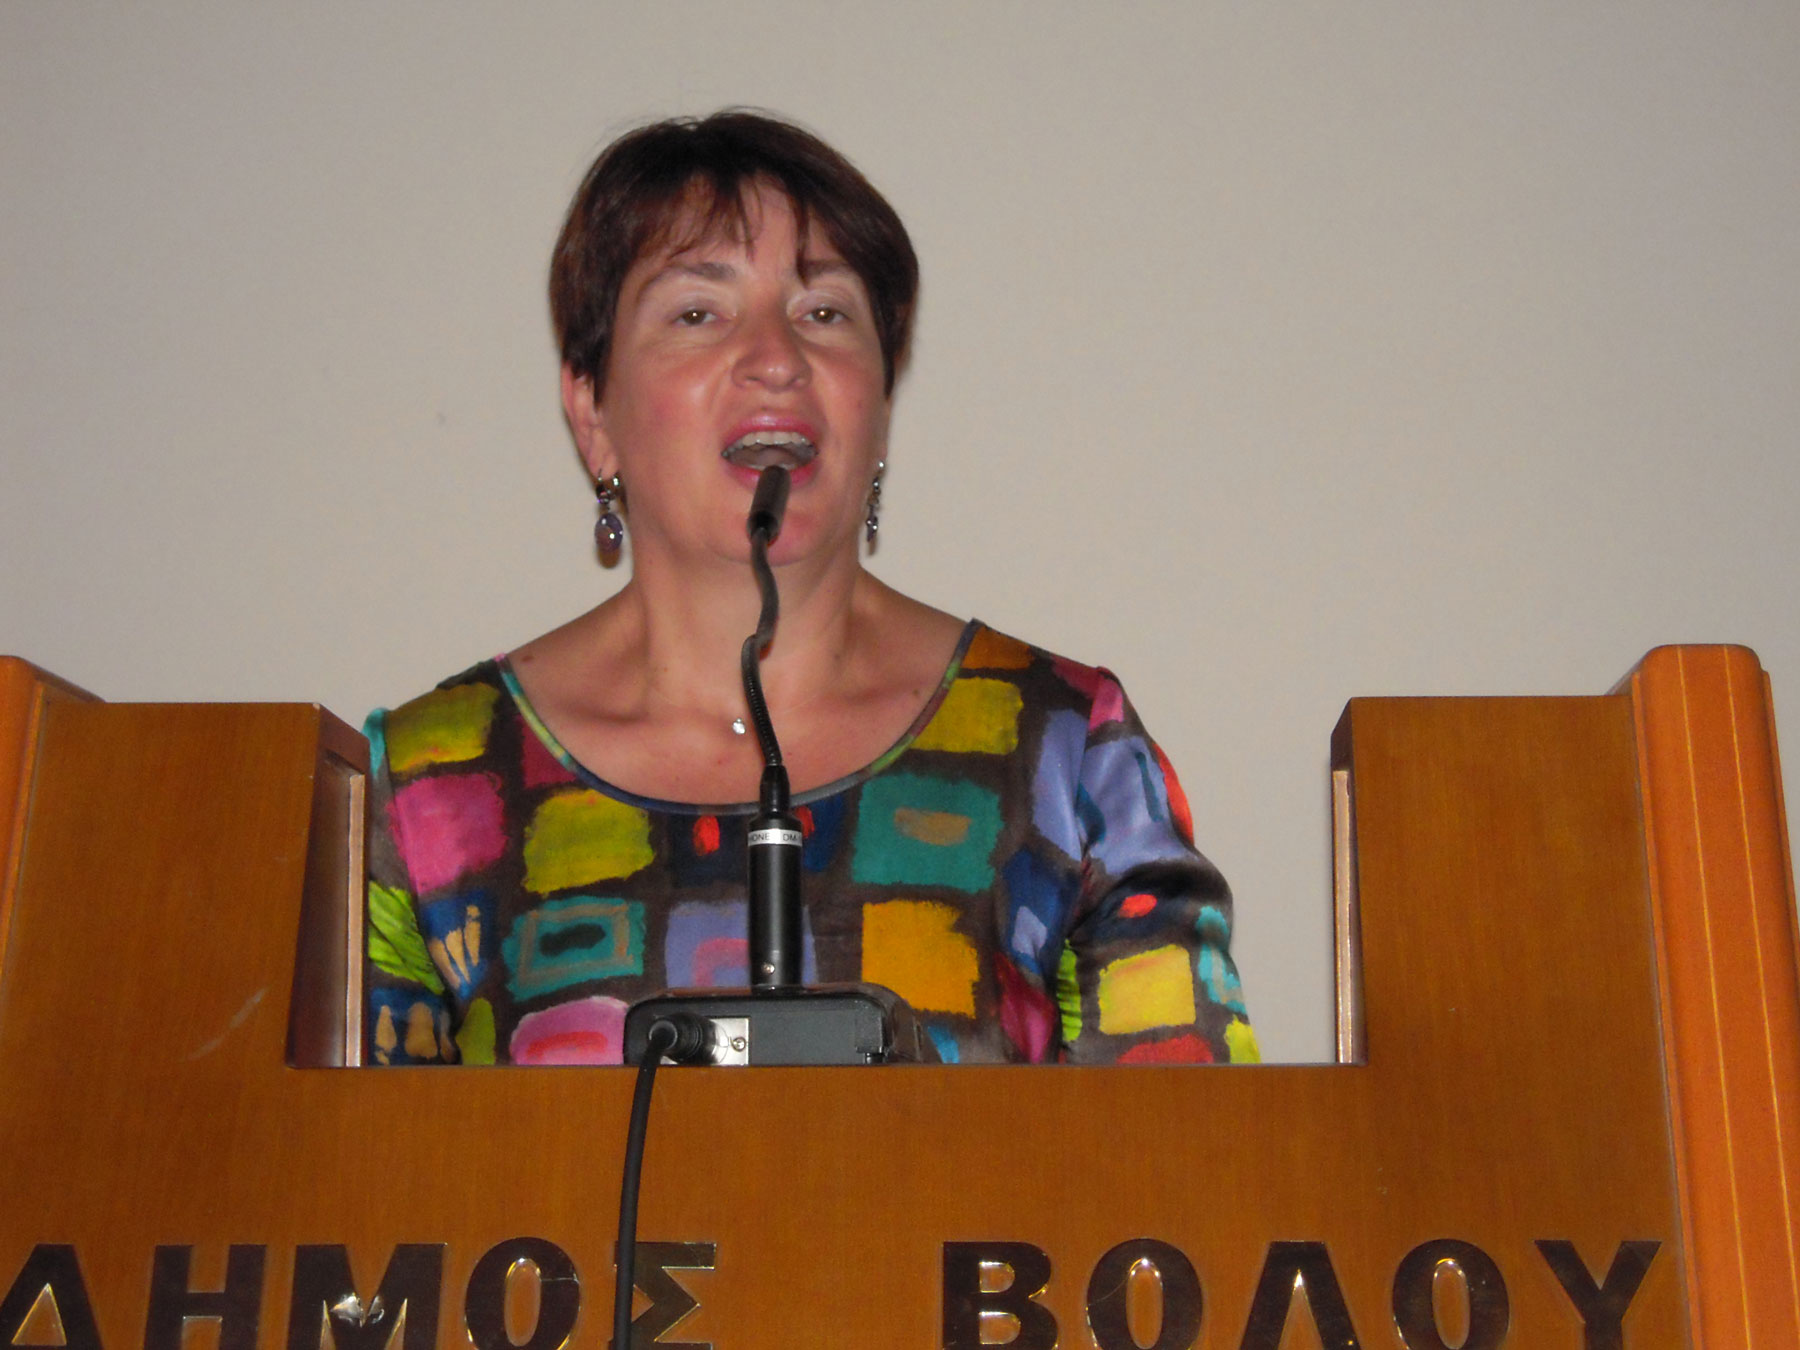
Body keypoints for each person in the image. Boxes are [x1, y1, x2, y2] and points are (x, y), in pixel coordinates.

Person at [363, 110, 1256, 1067]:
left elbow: (1191, 1144)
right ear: (592, 412)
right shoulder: (432, 783)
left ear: (880, 405)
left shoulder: (1064, 751)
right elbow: (352, 1153)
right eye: (697, 313)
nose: (777, 359)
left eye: (824, 312)